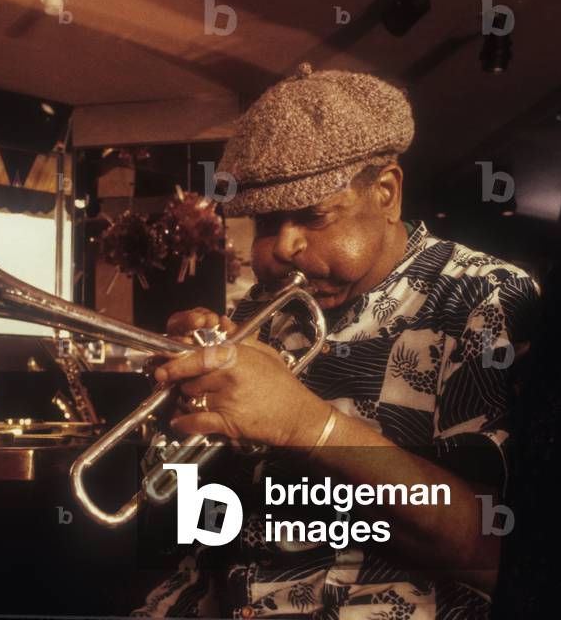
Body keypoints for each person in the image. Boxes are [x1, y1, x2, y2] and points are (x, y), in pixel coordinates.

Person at [132, 65, 540, 619]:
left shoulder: (485, 297)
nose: (285, 248)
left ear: (387, 192)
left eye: (314, 215)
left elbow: (493, 551)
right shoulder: (260, 308)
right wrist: (185, 407)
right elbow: (197, 516)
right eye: (266, 224)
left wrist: (309, 426)